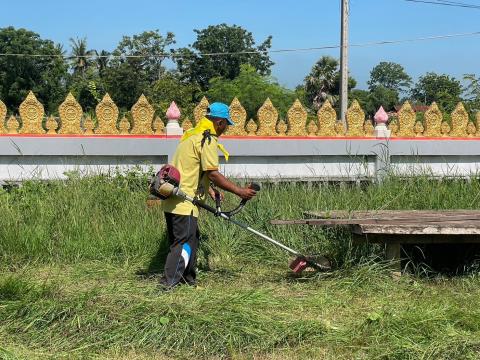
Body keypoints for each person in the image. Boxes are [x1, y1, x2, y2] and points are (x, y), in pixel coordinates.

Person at [159, 102, 257, 290]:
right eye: (226, 125)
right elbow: (212, 173)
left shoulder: (191, 136)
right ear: (219, 122)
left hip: (172, 198)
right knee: (183, 244)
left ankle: (188, 280)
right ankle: (167, 284)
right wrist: (240, 191)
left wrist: (209, 189)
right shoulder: (208, 139)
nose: (225, 130)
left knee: (192, 238)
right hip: (185, 202)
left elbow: (191, 168)